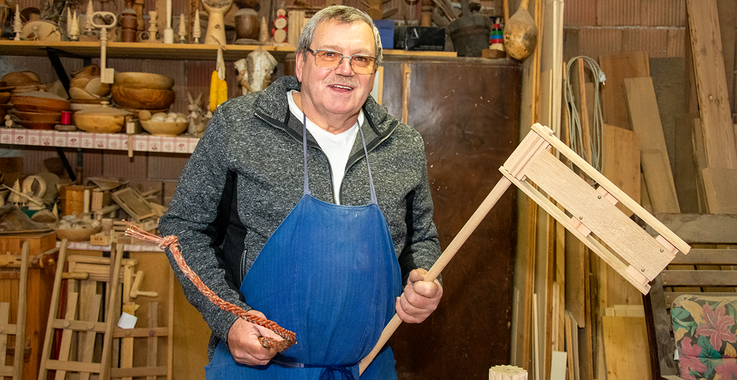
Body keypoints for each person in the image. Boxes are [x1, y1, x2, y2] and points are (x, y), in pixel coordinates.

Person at [158, 5, 443, 379]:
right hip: (258, 367)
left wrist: (426, 278)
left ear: (374, 71)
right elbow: (181, 230)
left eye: (361, 59)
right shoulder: (239, 126)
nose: (345, 69)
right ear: (300, 63)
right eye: (329, 55)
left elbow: (421, 237)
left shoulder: (403, 145)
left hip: (366, 367)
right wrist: (227, 319)